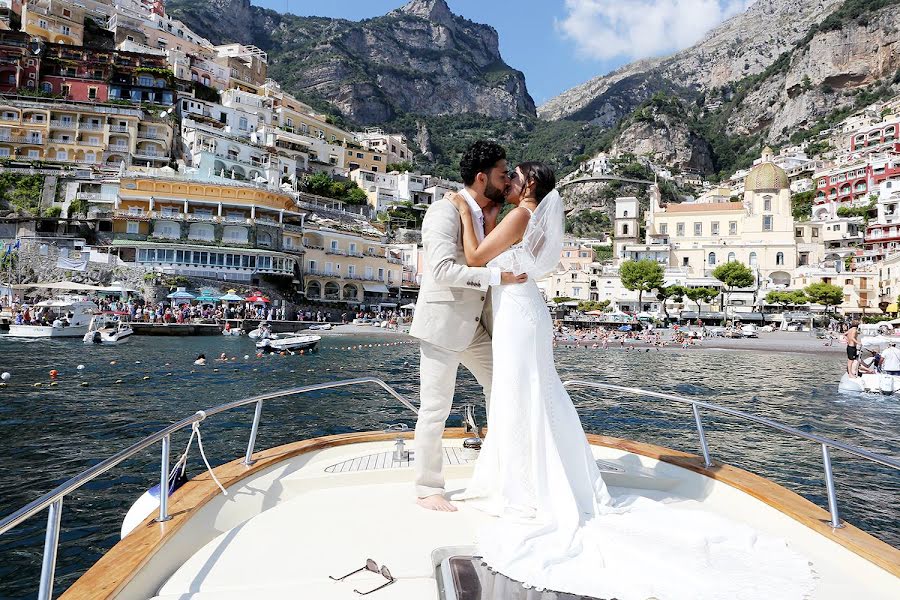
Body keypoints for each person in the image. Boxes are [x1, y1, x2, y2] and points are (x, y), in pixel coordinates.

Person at [446, 160, 813, 598]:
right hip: (518, 310)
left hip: (519, 314)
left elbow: (473, 257)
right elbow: (493, 257)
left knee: (523, 394)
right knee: (526, 394)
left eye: (515, 176)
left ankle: (530, 488)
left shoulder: (522, 215)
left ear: (529, 186)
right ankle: (532, 479)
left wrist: (466, 214)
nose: (507, 181)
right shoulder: (522, 216)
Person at [408, 140, 526, 512]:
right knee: (435, 408)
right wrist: (496, 277)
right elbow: (441, 270)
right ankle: (428, 488)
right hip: (442, 323)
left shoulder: (485, 215)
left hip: (476, 328)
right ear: (481, 177)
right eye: (502, 173)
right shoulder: (443, 212)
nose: (506, 179)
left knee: (505, 391)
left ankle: (501, 470)